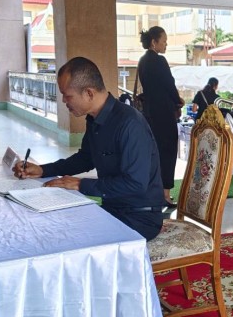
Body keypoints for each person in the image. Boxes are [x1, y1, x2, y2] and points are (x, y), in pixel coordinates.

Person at [13, 57, 165, 240]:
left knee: (66, 237)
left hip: (140, 217)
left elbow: (136, 184)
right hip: (113, 208)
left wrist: (80, 184)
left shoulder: (130, 124)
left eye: (67, 96)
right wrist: (43, 170)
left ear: (89, 93)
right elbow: (85, 158)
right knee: (51, 223)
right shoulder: (95, 119)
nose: (64, 101)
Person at [137, 26, 183, 208]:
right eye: (164, 41)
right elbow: (169, 85)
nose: (166, 44)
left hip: (150, 113)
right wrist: (178, 101)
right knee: (168, 152)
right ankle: (165, 194)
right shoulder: (159, 61)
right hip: (164, 113)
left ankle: (153, 191)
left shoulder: (142, 61)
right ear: (154, 42)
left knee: (154, 152)